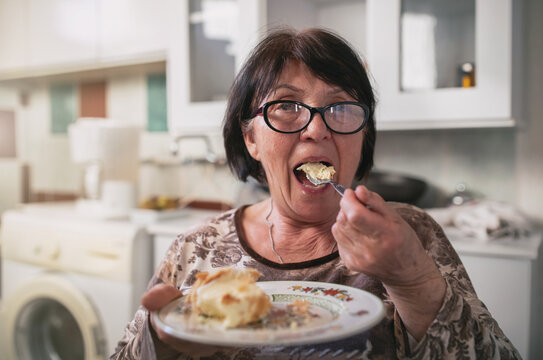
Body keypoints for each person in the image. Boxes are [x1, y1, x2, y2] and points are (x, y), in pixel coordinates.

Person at [111, 28, 520, 359]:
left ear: (364, 135)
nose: (316, 129)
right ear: (250, 137)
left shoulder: (412, 234)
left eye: (340, 107)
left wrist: (412, 278)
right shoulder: (196, 248)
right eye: (286, 105)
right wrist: (159, 342)